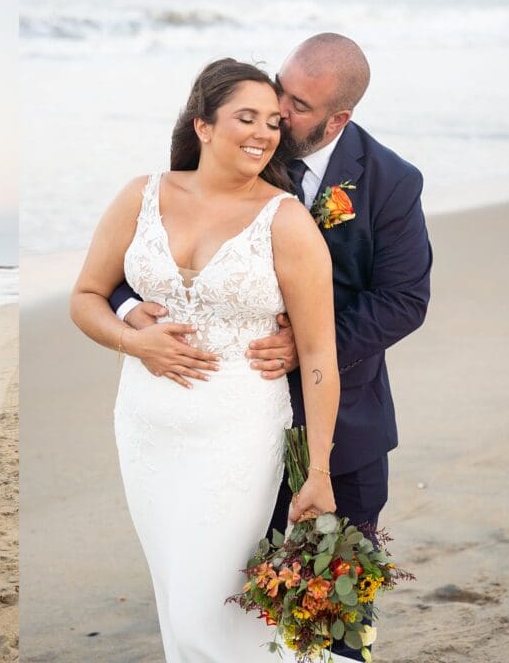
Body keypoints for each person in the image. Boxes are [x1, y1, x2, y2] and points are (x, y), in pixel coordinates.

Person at [112, 34, 433, 661]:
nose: (278, 113)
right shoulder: (244, 147)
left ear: (339, 118)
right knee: (233, 599)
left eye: (300, 105)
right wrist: (128, 310)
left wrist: (308, 346)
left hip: (341, 423)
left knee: (331, 612)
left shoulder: (390, 182)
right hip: (228, 427)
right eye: (279, 88)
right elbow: (151, 250)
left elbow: (405, 301)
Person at [71, 58, 339, 662]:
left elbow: (320, 350)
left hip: (238, 433)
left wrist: (317, 472)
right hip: (145, 427)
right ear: (203, 125)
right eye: (246, 117)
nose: (264, 133)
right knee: (175, 593)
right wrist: (131, 341)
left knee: (205, 604)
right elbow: (86, 297)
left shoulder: (286, 219)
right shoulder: (141, 195)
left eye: (273, 122)